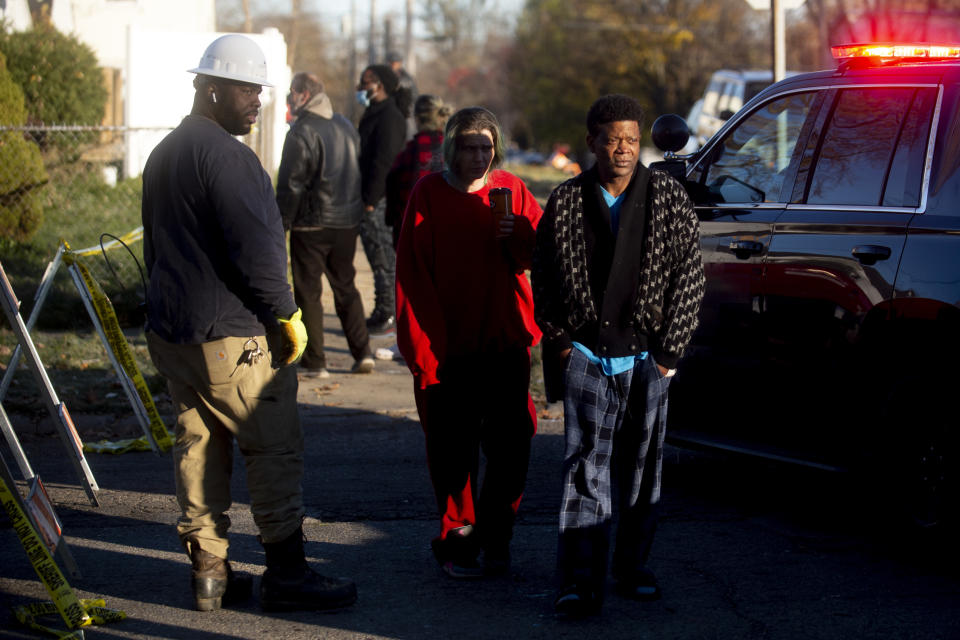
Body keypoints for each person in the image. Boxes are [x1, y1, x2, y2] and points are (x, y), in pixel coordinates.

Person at [141, 35, 357, 613]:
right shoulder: (231, 160)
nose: (258, 100)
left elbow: (158, 246)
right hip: (231, 338)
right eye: (247, 90)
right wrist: (286, 314)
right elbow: (259, 251)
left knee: (199, 447)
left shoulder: (164, 153)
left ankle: (209, 574)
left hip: (175, 334)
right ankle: (286, 574)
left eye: (259, 90)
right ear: (211, 88)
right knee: (273, 449)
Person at [531, 94, 705, 617]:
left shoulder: (668, 198)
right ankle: (578, 581)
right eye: (613, 139)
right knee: (586, 468)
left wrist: (669, 355)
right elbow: (544, 278)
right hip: (586, 353)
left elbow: (690, 277)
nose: (624, 149)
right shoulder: (565, 201)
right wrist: (562, 342)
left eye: (632, 139)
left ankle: (632, 567)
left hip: (647, 357)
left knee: (640, 471)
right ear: (592, 143)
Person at [396, 107, 542, 579]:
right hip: (449, 349)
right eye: (469, 147)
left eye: (486, 147)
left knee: (512, 445)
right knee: (451, 451)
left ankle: (497, 534)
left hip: (504, 343)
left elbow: (542, 253)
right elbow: (411, 276)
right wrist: (422, 351)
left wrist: (518, 232)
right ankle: (458, 539)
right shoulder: (429, 194)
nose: (479, 156)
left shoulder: (512, 191)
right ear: (451, 149)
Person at [276, 71, 375, 378]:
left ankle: (316, 362)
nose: (289, 98)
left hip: (312, 223)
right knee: (346, 287)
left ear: (304, 94)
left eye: (292, 92)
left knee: (309, 292)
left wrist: (282, 223)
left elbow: (291, 184)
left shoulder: (301, 130)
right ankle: (363, 354)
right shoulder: (345, 125)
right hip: (347, 221)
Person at [356, 64, 409, 336]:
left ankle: (387, 311)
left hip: (378, 199)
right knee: (378, 258)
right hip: (371, 196)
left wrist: (371, 199)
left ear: (380, 85)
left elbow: (383, 162)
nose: (361, 88)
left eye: (366, 82)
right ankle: (383, 308)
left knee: (383, 259)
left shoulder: (389, 116)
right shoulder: (375, 112)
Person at [385, 94, 452, 249]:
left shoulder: (408, 153)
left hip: (412, 230)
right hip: (448, 229)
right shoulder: (455, 150)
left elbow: (392, 186)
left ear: (416, 119)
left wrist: (391, 219)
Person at [386, 50, 419, 137]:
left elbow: (414, 97)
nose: (392, 65)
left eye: (395, 62)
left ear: (400, 63)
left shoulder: (407, 79)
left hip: (405, 115)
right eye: (391, 62)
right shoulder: (383, 77)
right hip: (388, 115)